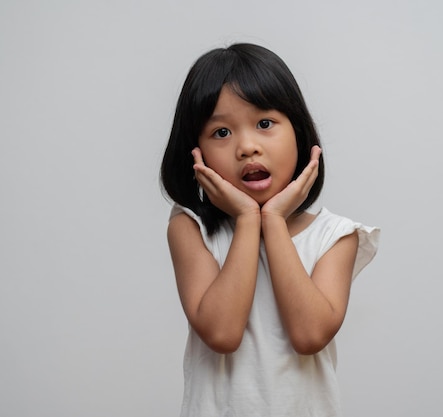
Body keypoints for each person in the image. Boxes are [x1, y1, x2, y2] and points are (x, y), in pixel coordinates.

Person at [160, 43, 380, 417]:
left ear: (298, 131)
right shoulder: (191, 229)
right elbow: (222, 334)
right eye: (222, 132)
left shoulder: (335, 236)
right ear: (195, 152)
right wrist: (248, 219)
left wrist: (273, 220)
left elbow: (310, 335)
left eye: (265, 124)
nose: (247, 147)